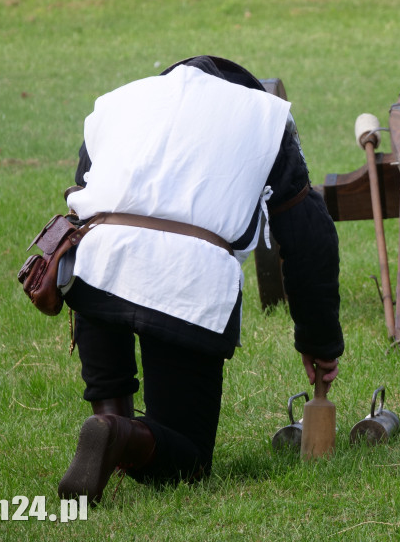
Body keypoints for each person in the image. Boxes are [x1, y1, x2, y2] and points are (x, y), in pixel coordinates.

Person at [55, 55, 344, 502]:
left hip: (93, 268)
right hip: (184, 281)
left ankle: (109, 423)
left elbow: (82, 200)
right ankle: (116, 433)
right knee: (187, 462)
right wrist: (319, 343)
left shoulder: (118, 103)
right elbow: (310, 238)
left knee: (107, 302)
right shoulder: (263, 118)